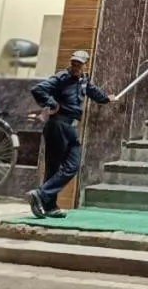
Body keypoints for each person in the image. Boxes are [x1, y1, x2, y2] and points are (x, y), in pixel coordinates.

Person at [27, 49, 112, 219]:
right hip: (58, 125)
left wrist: (108, 98)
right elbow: (38, 90)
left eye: (79, 64)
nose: (75, 66)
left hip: (71, 127)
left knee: (72, 166)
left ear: (85, 65)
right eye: (73, 62)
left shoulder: (84, 80)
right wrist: (52, 103)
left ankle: (41, 195)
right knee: (53, 168)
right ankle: (49, 206)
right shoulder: (62, 77)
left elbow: (95, 93)